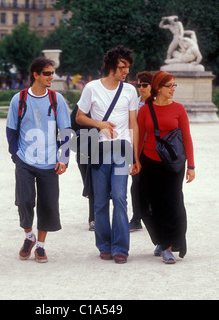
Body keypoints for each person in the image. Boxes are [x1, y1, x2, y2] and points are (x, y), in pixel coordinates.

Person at [75, 45, 141, 264]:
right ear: (111, 66)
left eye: (128, 67)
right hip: (98, 149)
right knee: (101, 201)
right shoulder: (92, 88)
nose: (126, 72)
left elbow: (134, 124)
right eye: (122, 67)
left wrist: (135, 157)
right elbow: (79, 117)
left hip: (122, 150)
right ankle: (104, 245)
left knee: (120, 198)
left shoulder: (130, 91)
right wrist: (99, 124)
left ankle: (121, 247)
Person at [6, 57, 71, 263]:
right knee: (24, 201)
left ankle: (41, 246)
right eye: (48, 73)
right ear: (36, 75)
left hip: (50, 161)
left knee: (48, 204)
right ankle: (29, 236)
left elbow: (66, 131)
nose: (52, 76)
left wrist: (64, 158)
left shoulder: (57, 99)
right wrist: (15, 155)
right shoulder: (19, 99)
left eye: (52, 73)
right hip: (25, 160)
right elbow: (11, 130)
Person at [137, 70, 195, 264]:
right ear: (158, 88)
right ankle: (160, 240)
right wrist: (135, 161)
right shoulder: (145, 109)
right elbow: (140, 137)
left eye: (174, 85)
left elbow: (187, 138)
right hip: (149, 161)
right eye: (169, 86)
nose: (173, 89)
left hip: (173, 164)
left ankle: (169, 246)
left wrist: (191, 166)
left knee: (172, 203)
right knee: (148, 204)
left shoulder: (179, 108)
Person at [129, 71, 153, 231]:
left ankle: (150, 214)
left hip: (152, 149)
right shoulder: (135, 104)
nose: (141, 88)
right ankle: (136, 217)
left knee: (151, 185)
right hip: (137, 149)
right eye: (139, 85)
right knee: (136, 184)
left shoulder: (156, 104)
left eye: (145, 85)